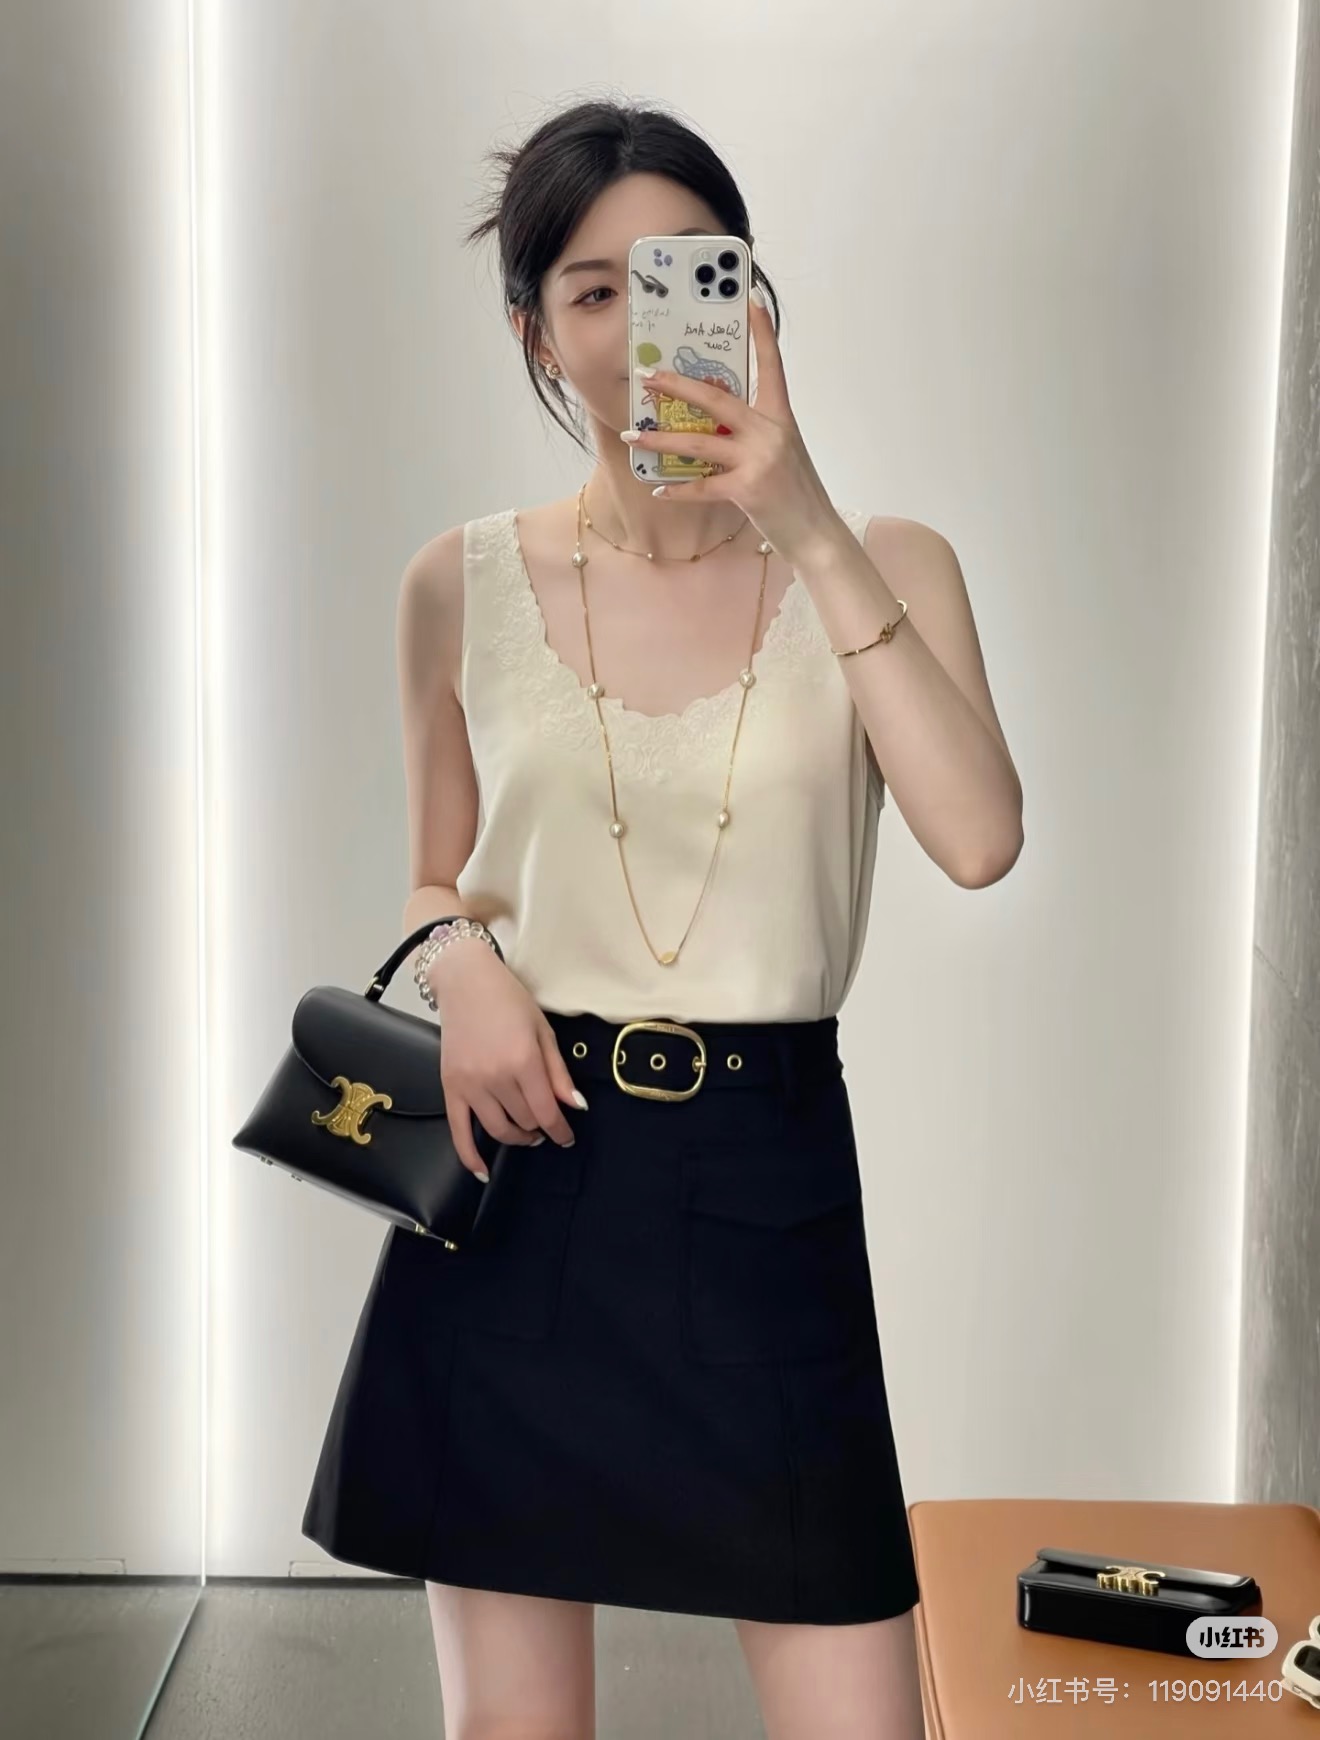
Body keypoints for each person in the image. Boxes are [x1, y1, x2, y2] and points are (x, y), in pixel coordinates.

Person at [301, 96, 1023, 1740]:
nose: (643, 329)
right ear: (536, 336)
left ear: (750, 300)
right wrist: (463, 964)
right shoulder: (459, 584)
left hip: (766, 1182)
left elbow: (980, 839)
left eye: (688, 275)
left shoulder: (886, 561)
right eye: (593, 290)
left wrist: (804, 514)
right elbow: (433, 876)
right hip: (520, 1177)